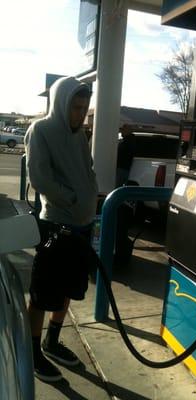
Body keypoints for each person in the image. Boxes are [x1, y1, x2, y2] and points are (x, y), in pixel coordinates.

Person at [24, 76, 99, 382]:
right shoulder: (41, 130)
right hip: (55, 224)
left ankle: (52, 342)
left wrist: (89, 196)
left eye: (84, 108)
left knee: (69, 288)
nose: (80, 114)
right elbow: (40, 178)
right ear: (61, 103)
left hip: (81, 226)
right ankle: (32, 353)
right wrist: (71, 199)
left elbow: (87, 170)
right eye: (75, 107)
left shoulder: (80, 134)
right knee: (43, 294)